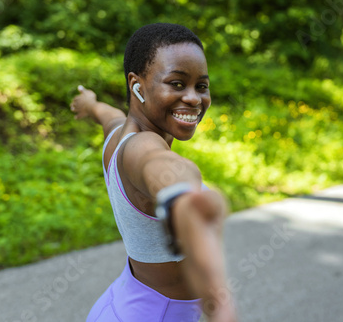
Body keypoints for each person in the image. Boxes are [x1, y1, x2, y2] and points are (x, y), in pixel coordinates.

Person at [70, 23, 237, 322]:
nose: (194, 98)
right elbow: (158, 165)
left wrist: (90, 104)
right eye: (176, 83)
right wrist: (182, 198)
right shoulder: (142, 146)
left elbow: (107, 115)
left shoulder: (117, 134)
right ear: (137, 85)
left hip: (125, 305)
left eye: (201, 86)